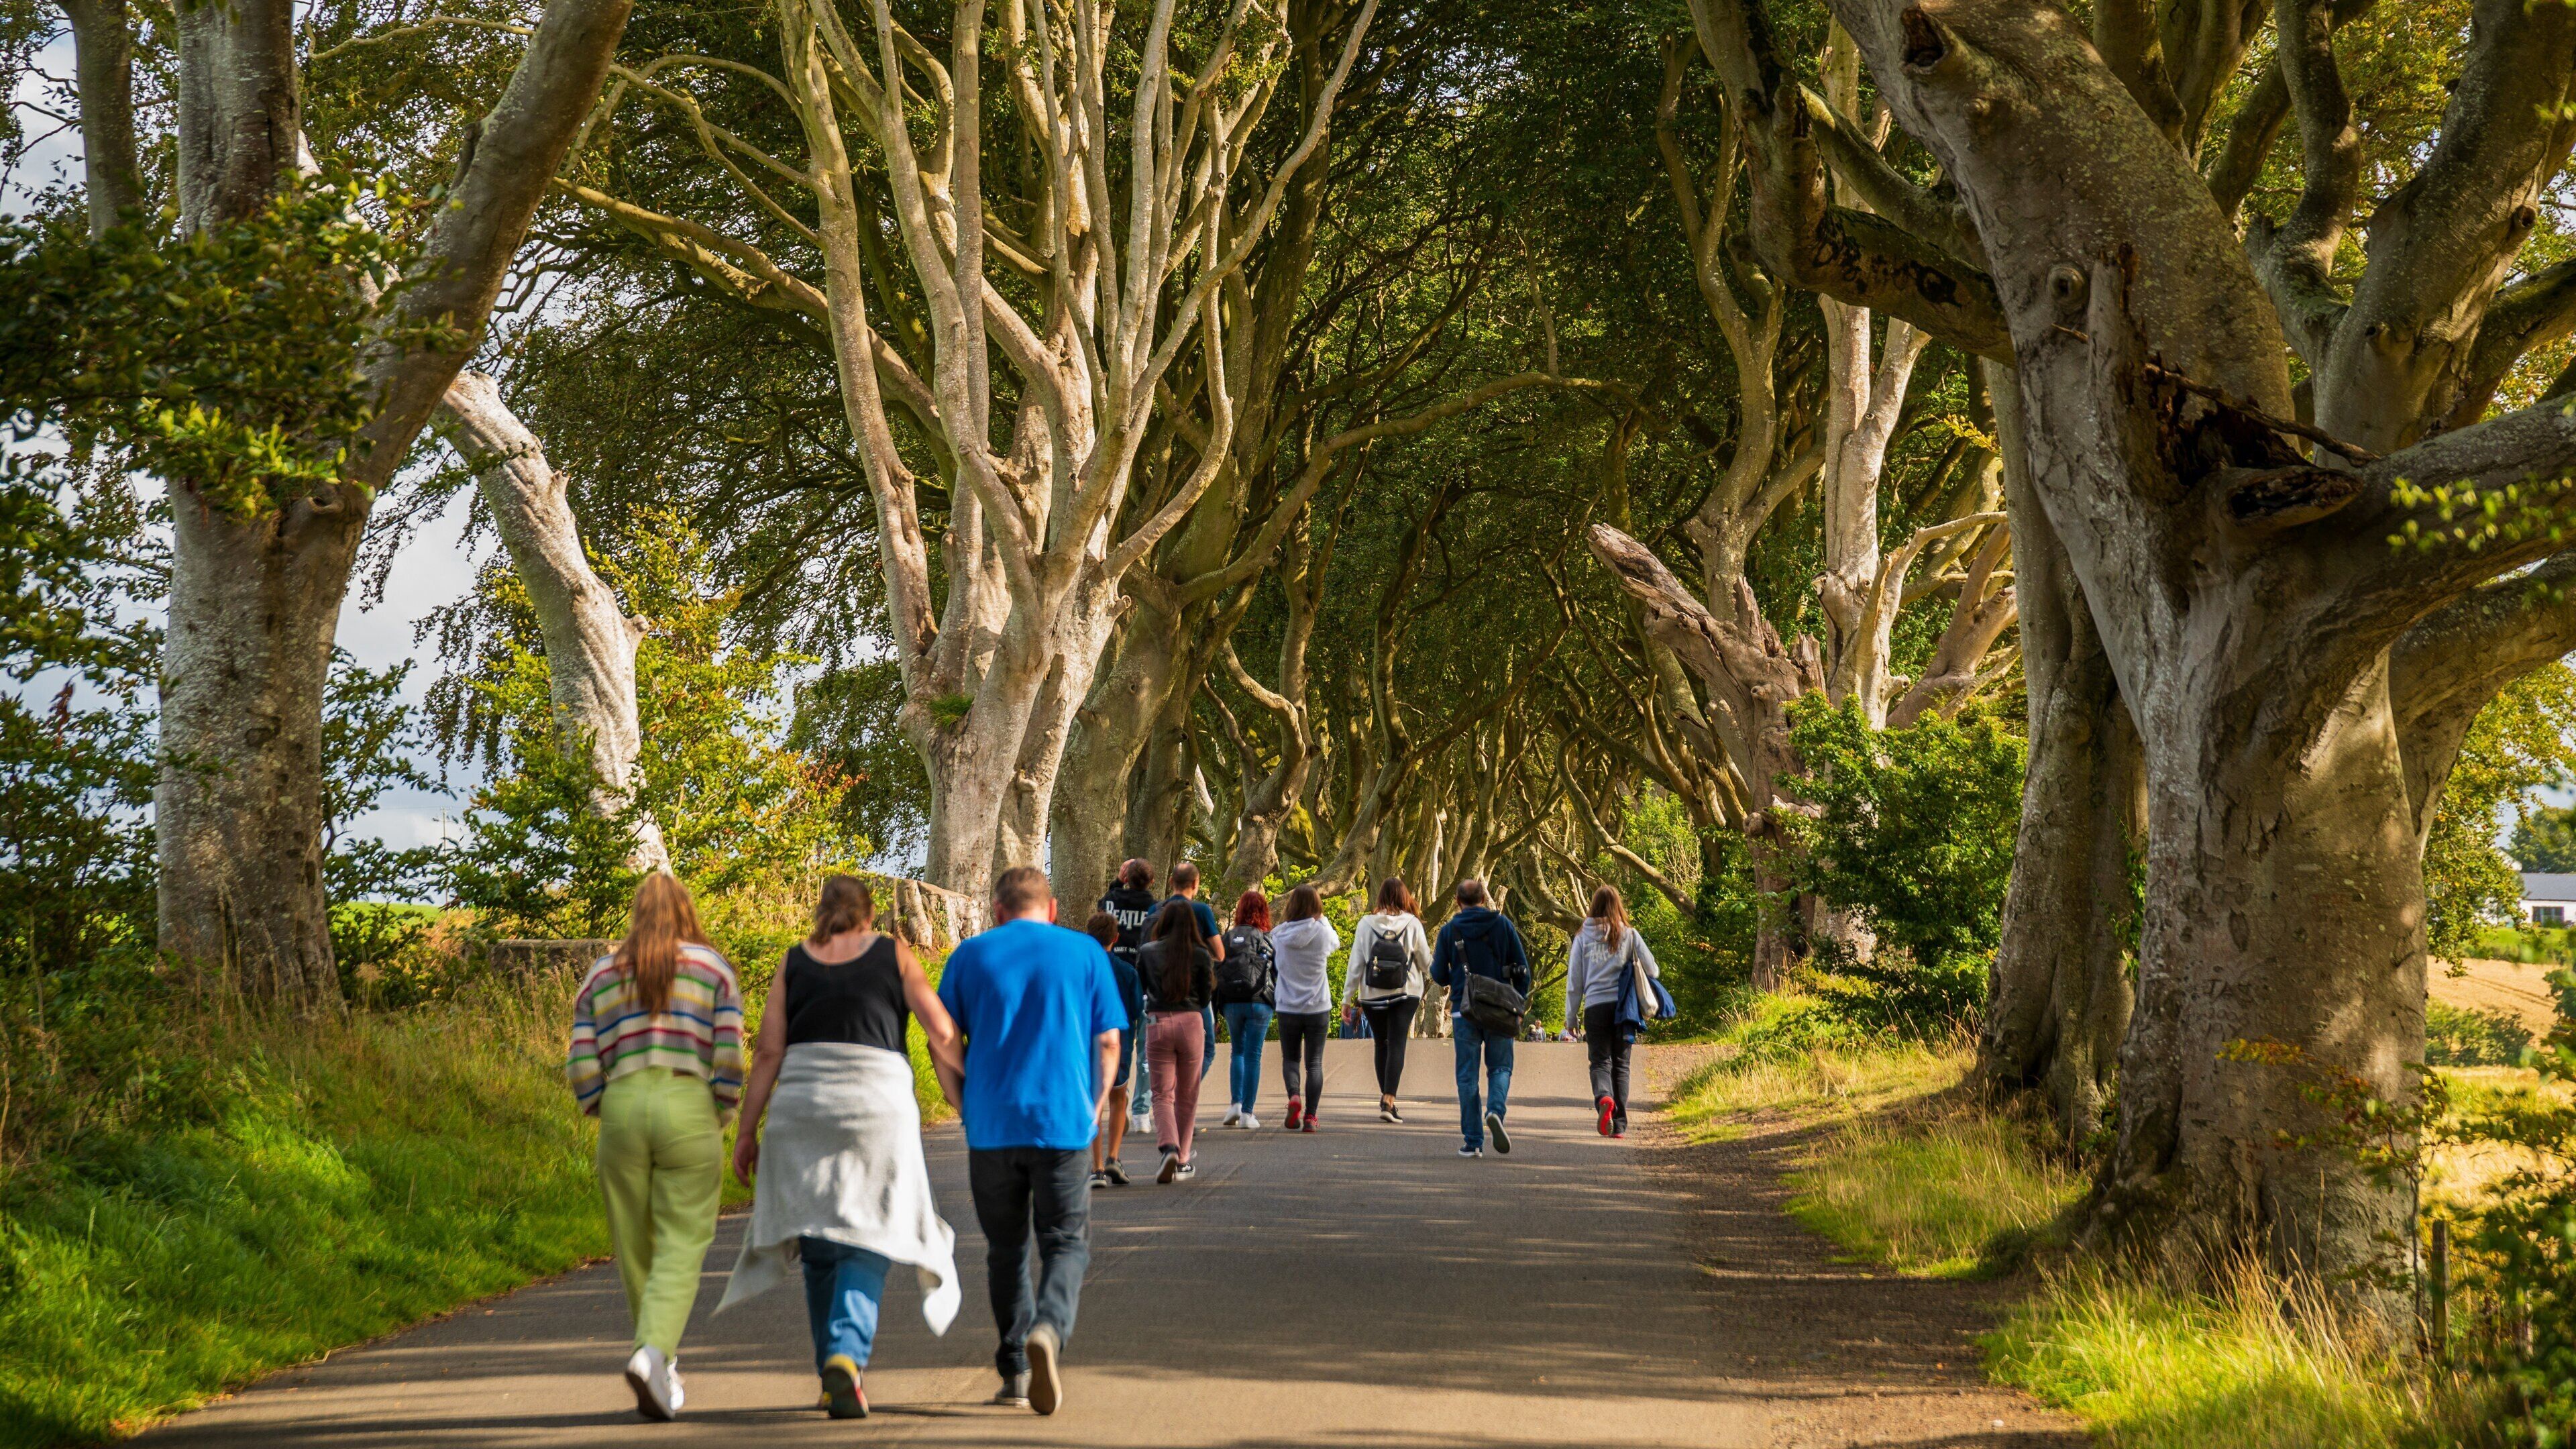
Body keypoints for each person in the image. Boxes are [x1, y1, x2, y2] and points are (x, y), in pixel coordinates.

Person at [719, 875, 964, 1419]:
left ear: (821, 913)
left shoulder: (793, 961)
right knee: (872, 1229)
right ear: (869, 914)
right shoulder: (893, 954)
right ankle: (846, 1356)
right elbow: (941, 1029)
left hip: (801, 1108)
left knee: (818, 1233)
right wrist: (966, 1087)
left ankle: (834, 1372)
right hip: (876, 1105)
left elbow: (767, 1053)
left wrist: (746, 1130)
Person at [936, 866, 1126, 1417]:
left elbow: (942, 1040)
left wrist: (961, 1102)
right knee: (1066, 1242)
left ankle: (1016, 1368)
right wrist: (1093, 1105)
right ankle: (1049, 1329)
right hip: (1063, 1123)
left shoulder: (970, 956)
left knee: (1006, 1250)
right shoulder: (1086, 953)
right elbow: (1109, 1043)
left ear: (997, 910)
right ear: (1053, 909)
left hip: (992, 1128)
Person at [564, 873, 745, 1421]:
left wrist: (600, 1102)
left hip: (622, 1106)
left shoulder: (602, 973)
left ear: (636, 915)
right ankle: (653, 1354)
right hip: (687, 1103)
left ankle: (658, 1358)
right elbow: (731, 1055)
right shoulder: (713, 969)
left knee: (635, 1241)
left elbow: (581, 1059)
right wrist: (721, 1109)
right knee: (683, 1239)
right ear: (687, 911)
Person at [1430, 878, 1532, 1159]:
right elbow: (1523, 969)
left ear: (1457, 901)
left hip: (1465, 1011)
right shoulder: (1503, 925)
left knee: (1467, 1076)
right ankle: (1495, 1111)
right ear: (1485, 899)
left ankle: (1473, 1141)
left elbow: (1438, 974)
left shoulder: (1449, 931)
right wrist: (1519, 1005)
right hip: (1500, 1009)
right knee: (1500, 1068)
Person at [1564, 885, 1662, 1138]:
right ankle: (1619, 1126)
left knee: (1600, 1061)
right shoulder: (1629, 934)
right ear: (1618, 905)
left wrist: (1570, 1017)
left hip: (1595, 1007)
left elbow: (1574, 981)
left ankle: (1604, 1097)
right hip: (1624, 1009)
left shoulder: (1582, 937)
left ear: (1593, 907)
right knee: (1622, 1065)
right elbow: (1653, 971)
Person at [1339, 876, 1431, 1122]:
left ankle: (1386, 1099)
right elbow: (1425, 962)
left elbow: (1356, 964)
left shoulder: (1366, 924)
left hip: (1372, 994)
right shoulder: (1412, 924)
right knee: (1398, 1043)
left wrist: (1347, 999)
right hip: (1406, 992)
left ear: (1380, 897)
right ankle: (1389, 1099)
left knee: (1381, 1043)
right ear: (1405, 897)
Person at [1139, 899, 1216, 1181]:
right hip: (1191, 1022)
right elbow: (1206, 996)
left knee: (1162, 1093)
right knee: (1188, 1094)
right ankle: (1183, 1158)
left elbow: (1142, 986)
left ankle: (1168, 1146)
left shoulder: (1147, 952)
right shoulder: (1200, 954)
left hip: (1158, 1021)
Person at [1268, 885, 1341, 1132]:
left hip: (1287, 1006)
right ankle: (1311, 1117)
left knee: (1291, 1059)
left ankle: (1294, 1097)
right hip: (1318, 1006)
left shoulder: (1278, 935)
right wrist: (1323, 918)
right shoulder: (1322, 933)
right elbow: (1337, 943)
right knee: (1314, 1063)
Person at [1098, 861, 1160, 1136]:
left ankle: (1114, 1102)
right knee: (1144, 1052)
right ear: (1151, 882)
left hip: (1112, 977)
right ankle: (1140, 1112)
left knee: (1114, 1045)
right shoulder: (1153, 907)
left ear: (1126, 878)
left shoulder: (1111, 900)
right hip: (1142, 977)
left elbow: (1103, 906)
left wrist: (1116, 882)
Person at [1085, 910, 1143, 1185]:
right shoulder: (1127, 971)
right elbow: (1136, 1010)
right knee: (1119, 1098)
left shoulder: (1080, 969)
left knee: (1093, 1101)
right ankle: (1113, 1157)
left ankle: (1095, 1167)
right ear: (1116, 938)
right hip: (1119, 1042)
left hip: (1085, 1042)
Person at [1214, 890, 1278, 1128]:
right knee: (1254, 1055)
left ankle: (1235, 1104)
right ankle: (1248, 1114)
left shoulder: (1226, 938)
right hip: (1259, 1000)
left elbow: (1216, 969)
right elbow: (1276, 971)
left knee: (1237, 1052)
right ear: (1263, 912)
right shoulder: (1267, 938)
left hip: (1231, 1001)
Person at [1161, 861, 1224, 1085]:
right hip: (1195, 990)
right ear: (1196, 884)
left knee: (1164, 1054)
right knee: (1207, 1050)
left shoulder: (1156, 910)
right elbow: (1220, 953)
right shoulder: (1201, 911)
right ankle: (1184, 1091)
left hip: (1162, 990)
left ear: (1171, 882)